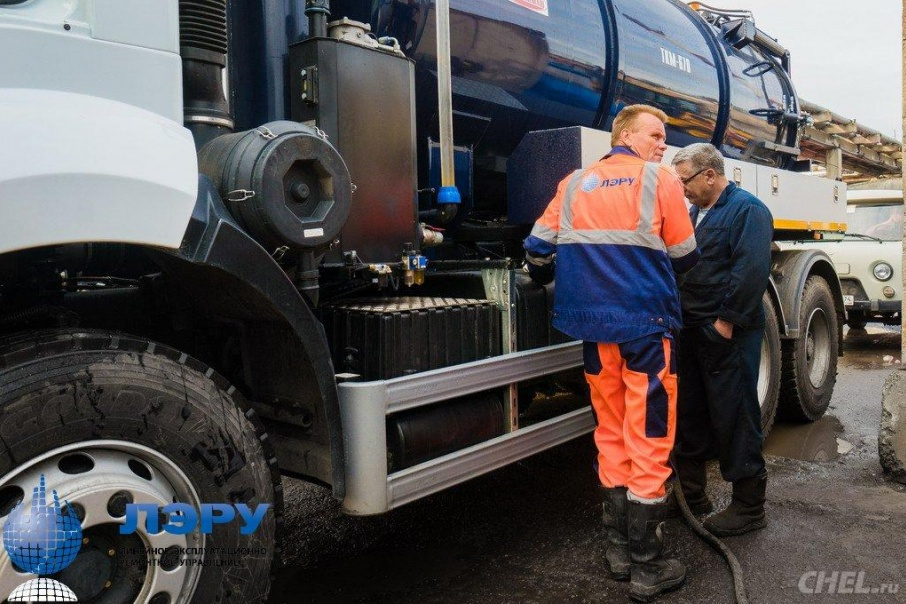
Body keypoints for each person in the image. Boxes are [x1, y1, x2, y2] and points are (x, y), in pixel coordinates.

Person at [523, 104, 699, 602]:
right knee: (648, 434)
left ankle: (618, 549)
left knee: (611, 430)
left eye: (664, 137)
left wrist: (560, 276)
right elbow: (686, 256)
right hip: (646, 329)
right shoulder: (658, 180)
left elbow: (536, 249)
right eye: (655, 134)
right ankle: (648, 564)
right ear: (625, 134)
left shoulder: (574, 183)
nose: (662, 143)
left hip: (594, 332)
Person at [669, 143, 773, 537]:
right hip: (693, 330)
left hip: (727, 334)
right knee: (691, 413)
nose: (682, 189)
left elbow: (750, 272)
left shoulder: (748, 210)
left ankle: (749, 508)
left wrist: (725, 324)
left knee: (734, 415)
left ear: (709, 175)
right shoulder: (695, 212)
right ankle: (693, 497)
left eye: (685, 181)